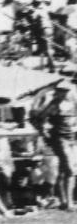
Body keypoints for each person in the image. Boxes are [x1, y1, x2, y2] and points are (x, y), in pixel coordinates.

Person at [33, 80, 76, 210]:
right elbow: (38, 119)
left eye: (65, 91)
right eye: (61, 91)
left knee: (64, 170)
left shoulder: (71, 103)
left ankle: (64, 201)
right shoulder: (53, 105)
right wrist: (43, 133)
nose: (64, 93)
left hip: (70, 138)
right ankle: (68, 202)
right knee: (69, 169)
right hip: (59, 138)